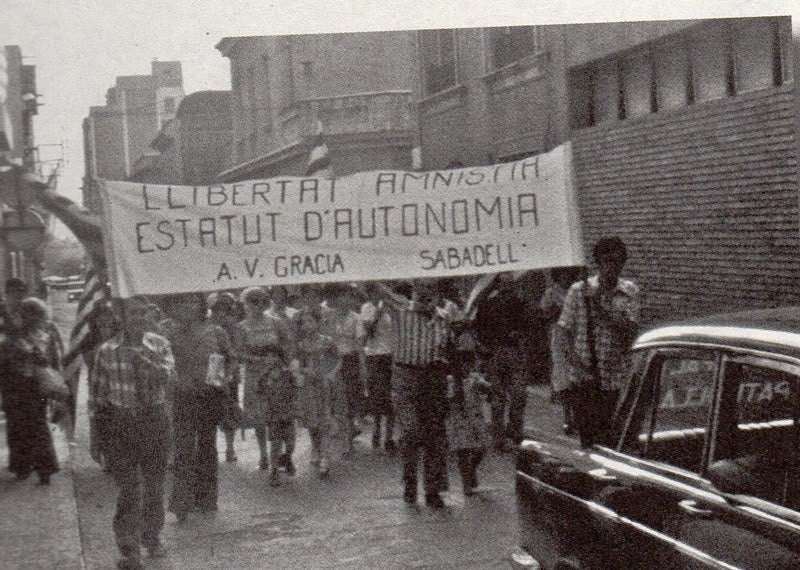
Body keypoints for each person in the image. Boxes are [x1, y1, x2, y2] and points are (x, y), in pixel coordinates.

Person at [90, 297, 175, 570]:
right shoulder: (106, 350)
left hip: (154, 419)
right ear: (121, 317)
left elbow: (169, 378)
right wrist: (96, 438)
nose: (139, 318)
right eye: (133, 313)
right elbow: (97, 398)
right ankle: (128, 548)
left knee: (153, 484)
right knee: (128, 488)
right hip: (121, 423)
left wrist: (144, 358)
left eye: (143, 313)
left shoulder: (159, 344)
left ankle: (151, 536)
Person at [553, 236, 641, 448]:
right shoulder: (577, 291)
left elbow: (630, 330)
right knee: (590, 440)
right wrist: (577, 366)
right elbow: (563, 332)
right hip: (586, 379)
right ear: (598, 263)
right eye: (607, 261)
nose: (613, 267)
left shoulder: (629, 291)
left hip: (616, 377)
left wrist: (600, 305)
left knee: (615, 440)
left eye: (618, 262)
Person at [377, 280, 451, 510]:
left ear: (436, 295)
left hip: (433, 376)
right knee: (409, 431)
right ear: (414, 293)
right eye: (420, 292)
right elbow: (378, 288)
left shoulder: (443, 316)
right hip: (406, 375)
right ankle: (410, 483)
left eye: (429, 293)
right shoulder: (401, 308)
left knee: (435, 435)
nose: (424, 297)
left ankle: (432, 490)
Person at [161, 293, 232, 522]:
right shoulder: (167, 333)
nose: (187, 306)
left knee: (207, 447)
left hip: (209, 396)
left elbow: (228, 359)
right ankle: (182, 502)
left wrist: (219, 380)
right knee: (183, 450)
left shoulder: (216, 332)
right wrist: (177, 381)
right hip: (182, 397)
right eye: (181, 302)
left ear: (200, 306)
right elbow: (161, 363)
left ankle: (207, 499)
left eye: (192, 302)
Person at [0, 297, 62, 484]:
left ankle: (23, 467)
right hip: (35, 386)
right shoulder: (46, 331)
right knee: (37, 426)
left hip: (19, 385)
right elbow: (54, 358)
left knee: (19, 427)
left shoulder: (18, 335)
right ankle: (43, 469)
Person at [473, 273, 531, 449]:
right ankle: (498, 435)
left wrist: (520, 336)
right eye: (505, 283)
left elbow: (527, 326)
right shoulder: (488, 305)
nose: (508, 287)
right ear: (498, 285)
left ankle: (515, 429)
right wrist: (483, 348)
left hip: (514, 351)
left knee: (518, 394)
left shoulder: (519, 304)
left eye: (510, 283)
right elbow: (479, 327)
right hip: (495, 352)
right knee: (497, 397)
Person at [238, 286, 291, 471]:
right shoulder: (242, 327)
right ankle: (263, 454)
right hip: (255, 376)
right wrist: (258, 358)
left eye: (262, 301)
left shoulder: (276, 323)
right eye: (253, 301)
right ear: (245, 304)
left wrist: (283, 363)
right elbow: (239, 353)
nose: (258, 305)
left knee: (277, 416)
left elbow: (287, 347)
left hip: (276, 375)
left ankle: (279, 454)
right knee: (259, 418)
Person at [293, 308, 343, 478]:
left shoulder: (327, 341)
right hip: (308, 386)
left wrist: (331, 374)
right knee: (311, 421)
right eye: (304, 323)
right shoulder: (300, 345)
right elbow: (297, 364)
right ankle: (315, 447)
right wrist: (301, 372)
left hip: (324, 385)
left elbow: (338, 359)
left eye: (310, 321)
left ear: (317, 322)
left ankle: (325, 458)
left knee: (325, 420)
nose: (307, 325)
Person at [323, 283, 365, 451]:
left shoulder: (356, 318)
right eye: (342, 296)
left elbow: (359, 345)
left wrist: (363, 367)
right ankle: (340, 430)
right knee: (332, 399)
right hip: (331, 360)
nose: (345, 300)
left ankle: (348, 439)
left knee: (349, 398)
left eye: (349, 297)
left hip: (350, 361)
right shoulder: (328, 316)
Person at [541, 267, 582, 435]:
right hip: (559, 335)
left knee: (578, 374)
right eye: (562, 274)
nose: (565, 277)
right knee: (562, 373)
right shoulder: (551, 293)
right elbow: (545, 313)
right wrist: (555, 310)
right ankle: (567, 417)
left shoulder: (578, 290)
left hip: (577, 334)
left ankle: (579, 416)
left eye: (568, 274)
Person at [445, 345, 491, 496]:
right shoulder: (450, 381)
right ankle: (466, 484)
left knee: (482, 447)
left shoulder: (475, 379)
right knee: (463, 452)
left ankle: (471, 470)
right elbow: (449, 400)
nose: (466, 368)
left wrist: (486, 386)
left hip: (476, 418)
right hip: (459, 420)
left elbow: (487, 388)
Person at [265, 285, 298, 473]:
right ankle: (274, 469)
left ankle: (288, 457)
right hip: (273, 405)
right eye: (275, 294)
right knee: (275, 438)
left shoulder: (292, 315)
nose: (279, 297)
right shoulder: (268, 317)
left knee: (291, 439)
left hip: (289, 403)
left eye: (282, 294)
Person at [359, 284, 396, 453]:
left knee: (390, 397)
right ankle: (376, 431)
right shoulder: (367, 308)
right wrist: (379, 313)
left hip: (390, 354)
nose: (380, 294)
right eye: (377, 292)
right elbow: (369, 333)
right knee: (377, 396)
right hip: (374, 355)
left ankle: (389, 437)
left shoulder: (390, 308)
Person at [208, 292, 243, 463]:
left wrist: (229, 374)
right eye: (217, 309)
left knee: (230, 411)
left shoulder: (232, 325)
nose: (220, 312)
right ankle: (211, 447)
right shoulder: (206, 324)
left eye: (224, 309)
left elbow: (235, 351)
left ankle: (230, 447)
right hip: (209, 374)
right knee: (210, 412)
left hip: (228, 374)